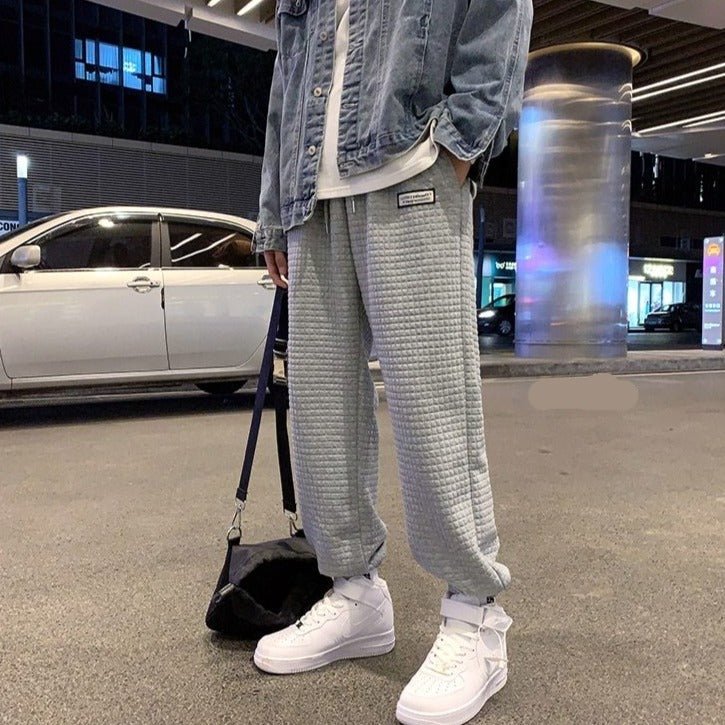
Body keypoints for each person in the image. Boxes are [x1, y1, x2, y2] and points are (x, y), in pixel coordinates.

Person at [252, 1, 532, 723]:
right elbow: (288, 78)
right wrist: (273, 212)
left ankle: (474, 614)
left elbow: (498, 14)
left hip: (410, 170)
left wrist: (461, 142)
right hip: (310, 199)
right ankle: (354, 593)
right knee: (321, 416)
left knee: (432, 407)